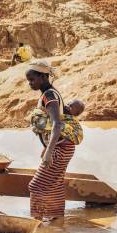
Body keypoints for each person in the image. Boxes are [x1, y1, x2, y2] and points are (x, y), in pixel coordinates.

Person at [25, 60, 77, 222]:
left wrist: (49, 151)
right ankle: (56, 221)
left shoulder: (49, 96)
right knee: (54, 184)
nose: (30, 84)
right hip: (63, 146)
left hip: (60, 148)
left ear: (42, 76)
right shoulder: (51, 93)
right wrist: (48, 146)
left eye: (32, 79)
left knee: (36, 186)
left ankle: (37, 223)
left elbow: (57, 124)